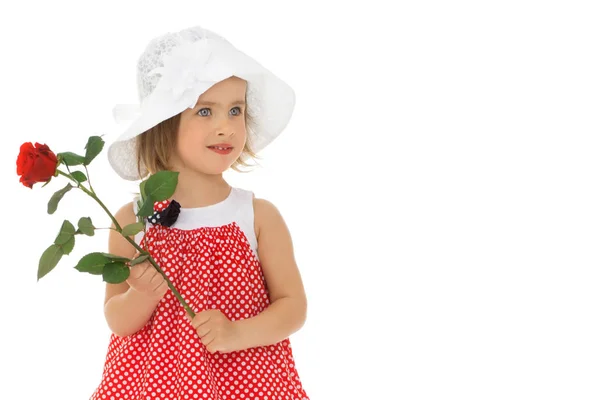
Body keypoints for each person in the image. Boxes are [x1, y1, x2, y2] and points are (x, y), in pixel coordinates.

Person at [90, 25, 310, 400]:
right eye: (205, 111)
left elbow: (293, 307)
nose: (226, 126)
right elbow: (117, 320)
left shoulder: (257, 217)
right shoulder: (132, 221)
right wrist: (141, 295)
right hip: (155, 387)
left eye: (236, 110)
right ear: (163, 123)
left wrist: (238, 334)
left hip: (248, 382)